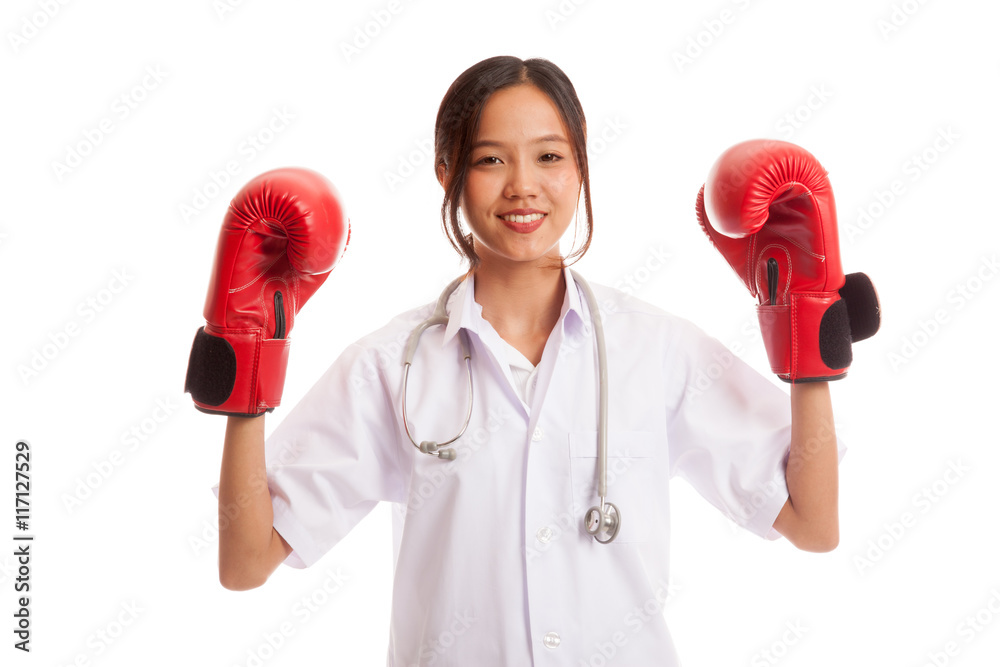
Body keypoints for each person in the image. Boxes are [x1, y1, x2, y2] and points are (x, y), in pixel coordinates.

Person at [192, 56, 878, 665]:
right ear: (447, 173)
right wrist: (248, 362)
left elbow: (812, 522)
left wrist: (805, 335)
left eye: (549, 156)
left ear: (580, 167)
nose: (523, 186)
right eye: (490, 160)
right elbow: (245, 563)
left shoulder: (657, 348)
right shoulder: (389, 365)